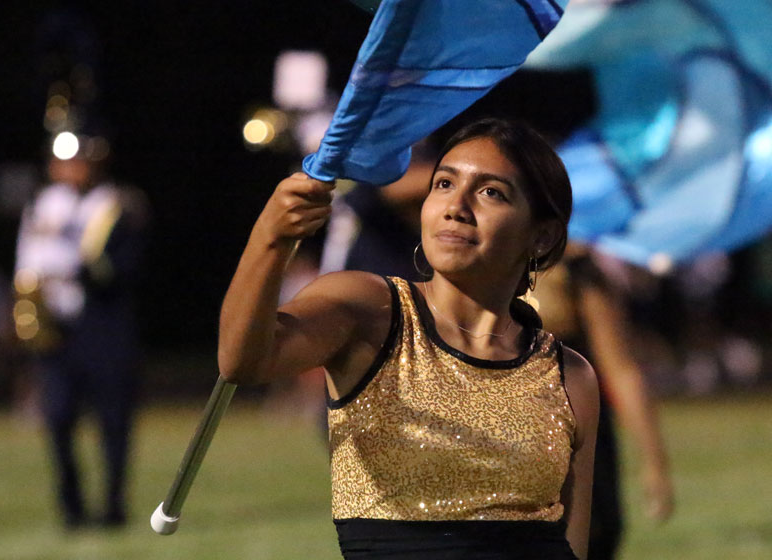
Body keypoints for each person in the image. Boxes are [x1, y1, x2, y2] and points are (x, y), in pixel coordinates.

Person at [219, 118, 600, 559]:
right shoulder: (369, 310)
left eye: (491, 192)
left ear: (543, 235)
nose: (456, 205)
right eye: (443, 184)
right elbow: (242, 362)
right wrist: (270, 238)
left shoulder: (568, 374)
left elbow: (572, 545)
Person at [14, 141, 148, 529]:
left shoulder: (119, 203)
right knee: (57, 418)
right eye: (61, 159)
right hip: (56, 326)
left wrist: (76, 264)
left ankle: (113, 507)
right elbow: (27, 262)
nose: (68, 168)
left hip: (103, 324)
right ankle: (71, 507)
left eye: (76, 159)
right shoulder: (41, 203)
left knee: (113, 421)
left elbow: (124, 268)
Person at [535, 246, 675, 559]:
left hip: (575, 435)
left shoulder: (577, 268)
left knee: (595, 533)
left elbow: (621, 368)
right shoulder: (476, 259)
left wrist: (654, 464)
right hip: (504, 437)